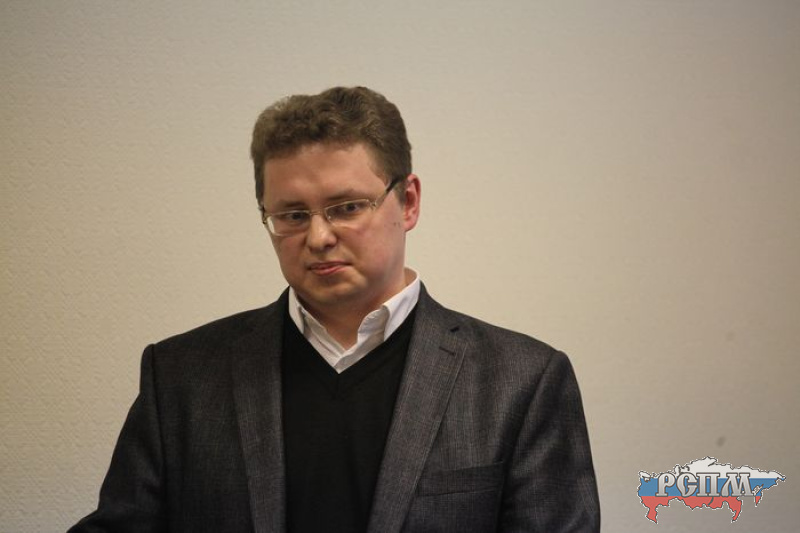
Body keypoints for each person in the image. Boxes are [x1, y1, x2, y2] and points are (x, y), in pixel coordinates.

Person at [68, 86, 600, 533]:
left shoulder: (523, 383)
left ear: (409, 202)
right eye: (292, 215)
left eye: (346, 207)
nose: (319, 237)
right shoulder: (180, 378)